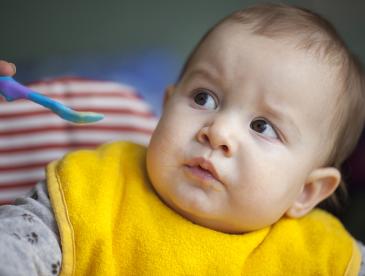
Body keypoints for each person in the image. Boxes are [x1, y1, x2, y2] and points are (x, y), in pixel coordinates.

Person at [0, 3, 365, 275]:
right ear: (165, 107)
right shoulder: (95, 188)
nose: (218, 132)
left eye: (262, 127)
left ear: (306, 192)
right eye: (203, 98)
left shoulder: (322, 256)